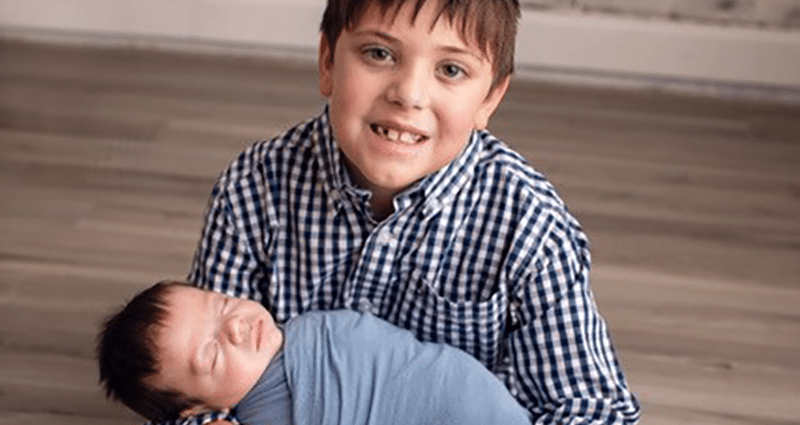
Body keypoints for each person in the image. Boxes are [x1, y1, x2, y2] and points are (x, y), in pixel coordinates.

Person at [167, 0, 641, 423]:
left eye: (451, 70)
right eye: (379, 54)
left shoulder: (529, 225)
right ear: (328, 61)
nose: (409, 95)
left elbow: (593, 409)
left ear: (490, 99)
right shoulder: (256, 187)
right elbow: (188, 382)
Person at [97, 281, 533, 425]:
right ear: (196, 409)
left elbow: (391, 362)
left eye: (223, 303)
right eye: (212, 354)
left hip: (463, 398)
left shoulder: (314, 331)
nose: (235, 325)